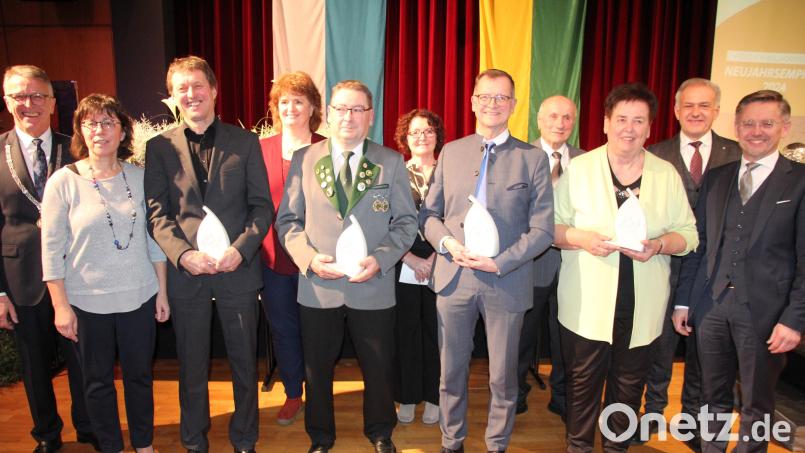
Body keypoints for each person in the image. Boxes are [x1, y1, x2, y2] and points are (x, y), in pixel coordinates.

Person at [553, 83, 698, 452]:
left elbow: (689, 234)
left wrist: (660, 245)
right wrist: (580, 238)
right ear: (605, 123)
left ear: (650, 127)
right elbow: (551, 228)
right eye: (621, 119)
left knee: (628, 388)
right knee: (582, 387)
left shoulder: (666, 174)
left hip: (643, 306)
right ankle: (579, 446)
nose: (628, 128)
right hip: (587, 305)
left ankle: (616, 447)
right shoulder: (580, 169)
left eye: (638, 120)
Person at [276, 79, 417, 453]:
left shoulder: (390, 161)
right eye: (340, 108)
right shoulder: (305, 159)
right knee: (316, 370)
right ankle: (321, 437)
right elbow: (287, 222)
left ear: (370, 116)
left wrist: (382, 259)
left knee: (378, 367)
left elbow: (406, 223)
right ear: (329, 113)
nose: (348, 116)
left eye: (357, 109)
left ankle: (380, 432)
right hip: (319, 287)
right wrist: (308, 259)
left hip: (373, 285)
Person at [420, 68, 554, 453]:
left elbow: (542, 230)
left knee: (502, 378)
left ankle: (496, 444)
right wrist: (446, 243)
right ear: (473, 101)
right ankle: (452, 442)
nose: (492, 104)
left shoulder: (532, 159)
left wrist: (500, 262)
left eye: (501, 97)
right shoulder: (452, 151)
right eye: (485, 96)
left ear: (513, 105)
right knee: (451, 373)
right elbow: (427, 216)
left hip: (505, 283)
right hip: (454, 279)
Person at [144, 56, 272, 453]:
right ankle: (194, 440)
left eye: (197, 85)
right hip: (189, 275)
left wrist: (241, 249)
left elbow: (261, 207)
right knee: (192, 365)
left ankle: (245, 438)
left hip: (237, 270)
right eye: (182, 88)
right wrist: (182, 256)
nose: (191, 94)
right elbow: (157, 212)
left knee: (243, 364)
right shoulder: (159, 147)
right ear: (173, 96)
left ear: (213, 90)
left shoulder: (246, 142)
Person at [673, 90, 804, 453]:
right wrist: (684, 302)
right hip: (711, 307)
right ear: (736, 125)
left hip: (766, 314)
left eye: (767, 123)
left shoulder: (799, 181)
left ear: (784, 126)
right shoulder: (718, 177)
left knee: (756, 405)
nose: (756, 131)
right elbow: (699, 247)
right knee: (712, 398)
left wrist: (794, 320)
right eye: (748, 123)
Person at [41, 93, 169, 453]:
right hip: (86, 302)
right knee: (96, 383)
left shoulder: (140, 177)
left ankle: (144, 445)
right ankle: (111, 447)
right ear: (81, 131)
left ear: (123, 131)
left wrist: (161, 292)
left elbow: (154, 239)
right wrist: (60, 306)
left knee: (140, 378)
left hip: (139, 295)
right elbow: (50, 250)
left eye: (109, 122)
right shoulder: (62, 182)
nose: (100, 130)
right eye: (91, 123)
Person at [0, 64, 96, 453]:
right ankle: (46, 434)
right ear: (7, 101)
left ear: (54, 103)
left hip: (77, 275)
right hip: (19, 278)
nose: (30, 104)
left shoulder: (74, 148)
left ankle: (89, 426)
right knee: (34, 366)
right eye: (20, 96)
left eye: (38, 95)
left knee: (84, 360)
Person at [640, 78, 740, 449]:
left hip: (716, 273)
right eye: (689, 106)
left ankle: (694, 422)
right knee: (659, 350)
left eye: (705, 105)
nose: (696, 112)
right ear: (677, 110)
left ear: (716, 110)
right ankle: (651, 415)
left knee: (707, 353)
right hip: (663, 267)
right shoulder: (655, 153)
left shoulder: (736, 153)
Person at [258, 71, 325, 426]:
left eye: (298, 101)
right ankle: (293, 393)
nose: (291, 107)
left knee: (316, 328)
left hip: (316, 256)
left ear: (312, 106)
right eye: (284, 101)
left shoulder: (327, 146)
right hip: (272, 256)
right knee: (283, 328)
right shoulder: (260, 148)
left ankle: (319, 392)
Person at [517, 95, 584, 419]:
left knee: (566, 338)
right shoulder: (520, 156)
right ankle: (514, 395)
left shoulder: (588, 161)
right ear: (539, 120)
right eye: (553, 116)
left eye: (567, 117)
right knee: (521, 335)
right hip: (530, 263)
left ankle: (563, 397)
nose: (560, 123)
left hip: (575, 264)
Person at [392, 109, 444, 425]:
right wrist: (409, 258)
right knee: (405, 331)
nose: (421, 137)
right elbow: (383, 222)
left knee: (437, 333)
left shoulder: (450, 171)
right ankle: (408, 397)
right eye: (415, 132)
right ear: (405, 137)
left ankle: (436, 397)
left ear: (437, 136)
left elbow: (456, 220)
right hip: (403, 260)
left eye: (427, 130)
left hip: (442, 260)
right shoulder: (394, 172)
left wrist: (435, 258)